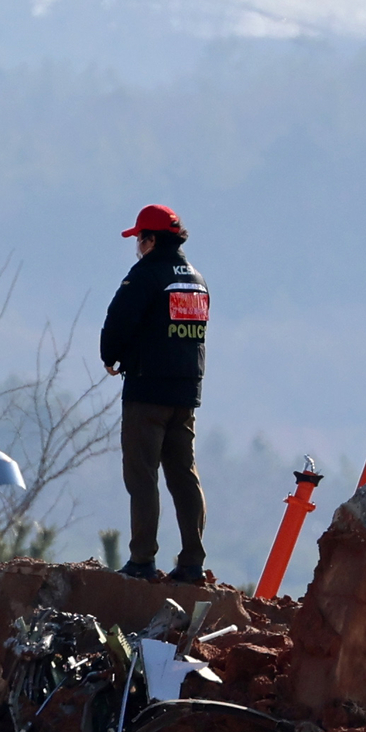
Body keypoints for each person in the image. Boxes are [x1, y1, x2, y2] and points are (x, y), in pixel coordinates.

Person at [99, 202, 209, 581]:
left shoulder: (146, 274)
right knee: (184, 476)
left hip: (147, 393)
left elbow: (118, 319)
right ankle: (192, 562)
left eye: (138, 238)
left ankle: (142, 560)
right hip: (186, 393)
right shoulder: (195, 278)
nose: (137, 246)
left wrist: (110, 356)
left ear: (149, 239)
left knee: (142, 476)